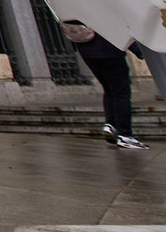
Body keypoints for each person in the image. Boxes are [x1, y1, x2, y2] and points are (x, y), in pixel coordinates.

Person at [61, 18, 145, 152]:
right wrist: (139, 51)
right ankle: (125, 135)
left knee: (109, 89)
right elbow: (116, 26)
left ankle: (111, 124)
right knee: (121, 93)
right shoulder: (98, 5)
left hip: (87, 52)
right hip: (109, 52)